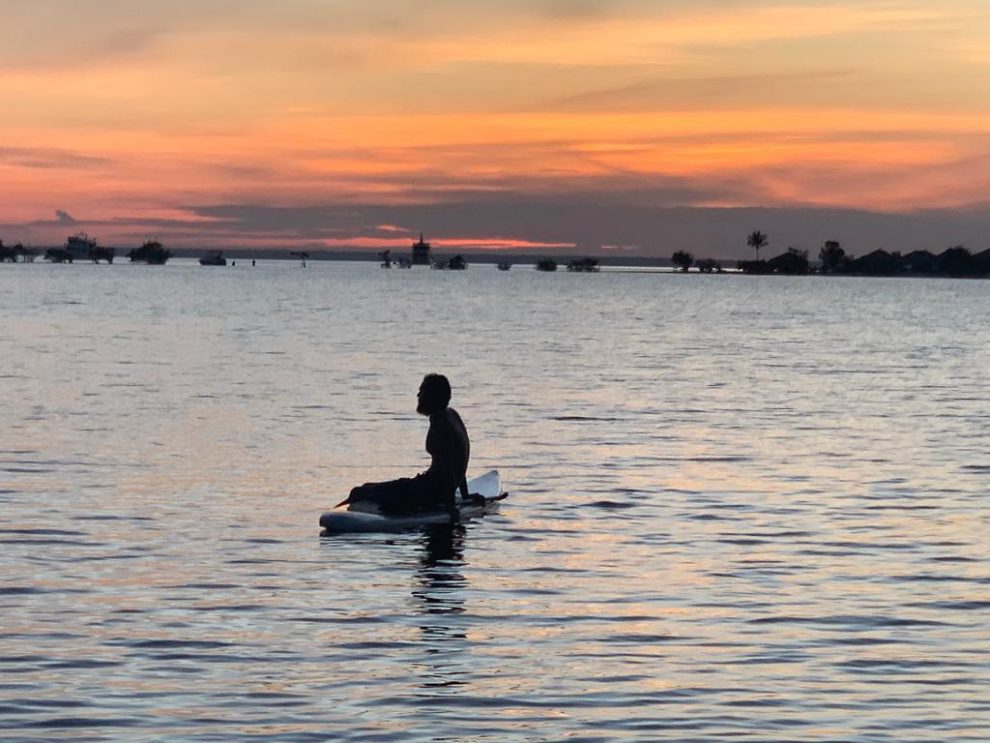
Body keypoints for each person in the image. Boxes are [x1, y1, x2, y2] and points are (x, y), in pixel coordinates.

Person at [343, 374, 470, 520]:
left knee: (359, 492)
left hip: (429, 492)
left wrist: (450, 505)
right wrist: (465, 495)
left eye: (422, 391)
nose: (418, 395)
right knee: (371, 489)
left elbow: (449, 464)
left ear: (432, 396)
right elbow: (458, 458)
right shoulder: (452, 415)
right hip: (433, 488)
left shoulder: (439, 422)